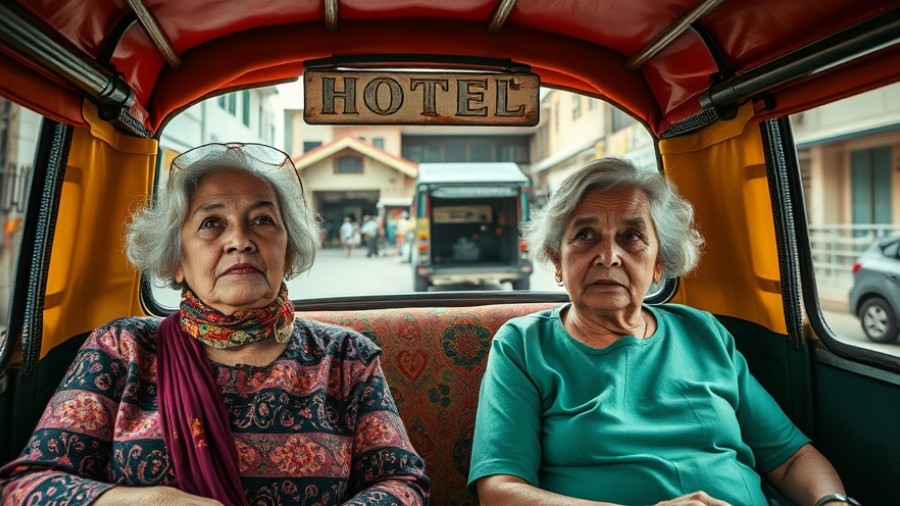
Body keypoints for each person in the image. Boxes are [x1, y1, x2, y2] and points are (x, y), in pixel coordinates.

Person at [0, 143, 429, 505]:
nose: (240, 240)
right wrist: (152, 501)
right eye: (211, 223)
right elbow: (27, 487)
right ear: (177, 259)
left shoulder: (345, 358)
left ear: (289, 251)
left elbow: (401, 483)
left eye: (262, 220)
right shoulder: (122, 348)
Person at [468, 157, 856, 506]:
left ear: (658, 263)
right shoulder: (524, 345)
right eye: (585, 235)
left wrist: (832, 503)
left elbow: (791, 458)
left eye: (631, 237)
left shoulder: (702, 331)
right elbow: (500, 490)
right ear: (557, 259)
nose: (608, 256)